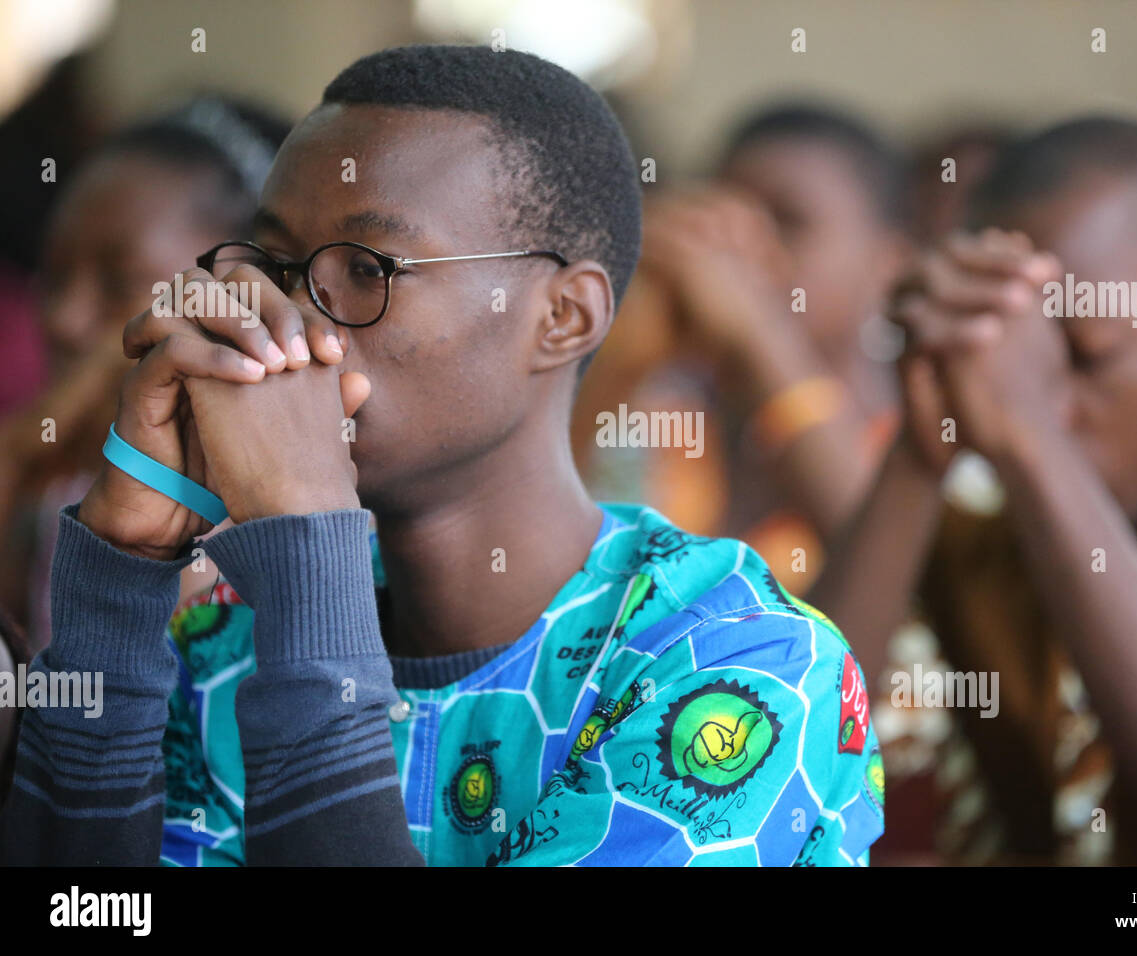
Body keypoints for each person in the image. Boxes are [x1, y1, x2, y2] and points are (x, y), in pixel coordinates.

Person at [0, 45, 884, 866]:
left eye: (369, 270)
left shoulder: (734, 666)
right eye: (274, 262)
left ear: (563, 317)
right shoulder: (217, 640)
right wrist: (120, 578)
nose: (295, 325)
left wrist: (311, 544)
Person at [810, 115, 1137, 865]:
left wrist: (1032, 436)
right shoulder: (967, 540)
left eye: (1085, 357)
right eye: (1011, 362)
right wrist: (920, 443)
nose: (1042, 401)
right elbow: (785, 766)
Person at [575, 104, 912, 593]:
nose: (740, 252)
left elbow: (889, 574)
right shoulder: (661, 417)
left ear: (890, 264)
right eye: (720, 216)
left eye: (787, 222)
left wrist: (759, 332)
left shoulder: (922, 444)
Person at [0, 96, 290, 654]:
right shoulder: (53, 480)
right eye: (55, 277)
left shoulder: (260, 508)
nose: (65, 318)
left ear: (239, 290)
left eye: (117, 284)